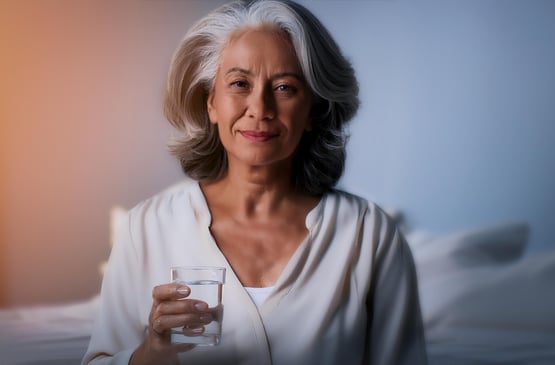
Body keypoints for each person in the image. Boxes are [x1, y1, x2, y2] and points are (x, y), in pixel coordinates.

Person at [82, 0, 426, 364]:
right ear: (211, 103)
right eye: (240, 83)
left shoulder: (367, 234)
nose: (259, 108)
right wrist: (150, 353)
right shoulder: (146, 228)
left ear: (312, 109)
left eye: (284, 88)